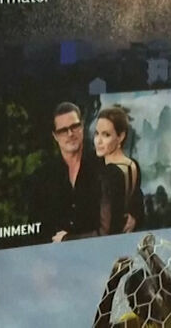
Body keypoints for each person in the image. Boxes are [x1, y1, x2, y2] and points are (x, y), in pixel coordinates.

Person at [31, 102, 104, 242]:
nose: (70, 134)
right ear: (55, 135)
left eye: (74, 126)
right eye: (63, 130)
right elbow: (36, 228)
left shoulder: (102, 165)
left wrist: (135, 213)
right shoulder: (42, 177)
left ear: (82, 126)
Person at [94, 233, 171, 328]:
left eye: (144, 300)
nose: (138, 310)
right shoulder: (138, 322)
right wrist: (113, 281)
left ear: (157, 291)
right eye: (133, 305)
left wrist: (148, 252)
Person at [94, 106, 143, 237]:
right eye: (96, 133)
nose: (98, 141)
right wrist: (134, 217)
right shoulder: (133, 164)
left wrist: (66, 238)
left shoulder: (110, 173)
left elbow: (104, 231)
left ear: (120, 136)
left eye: (106, 135)